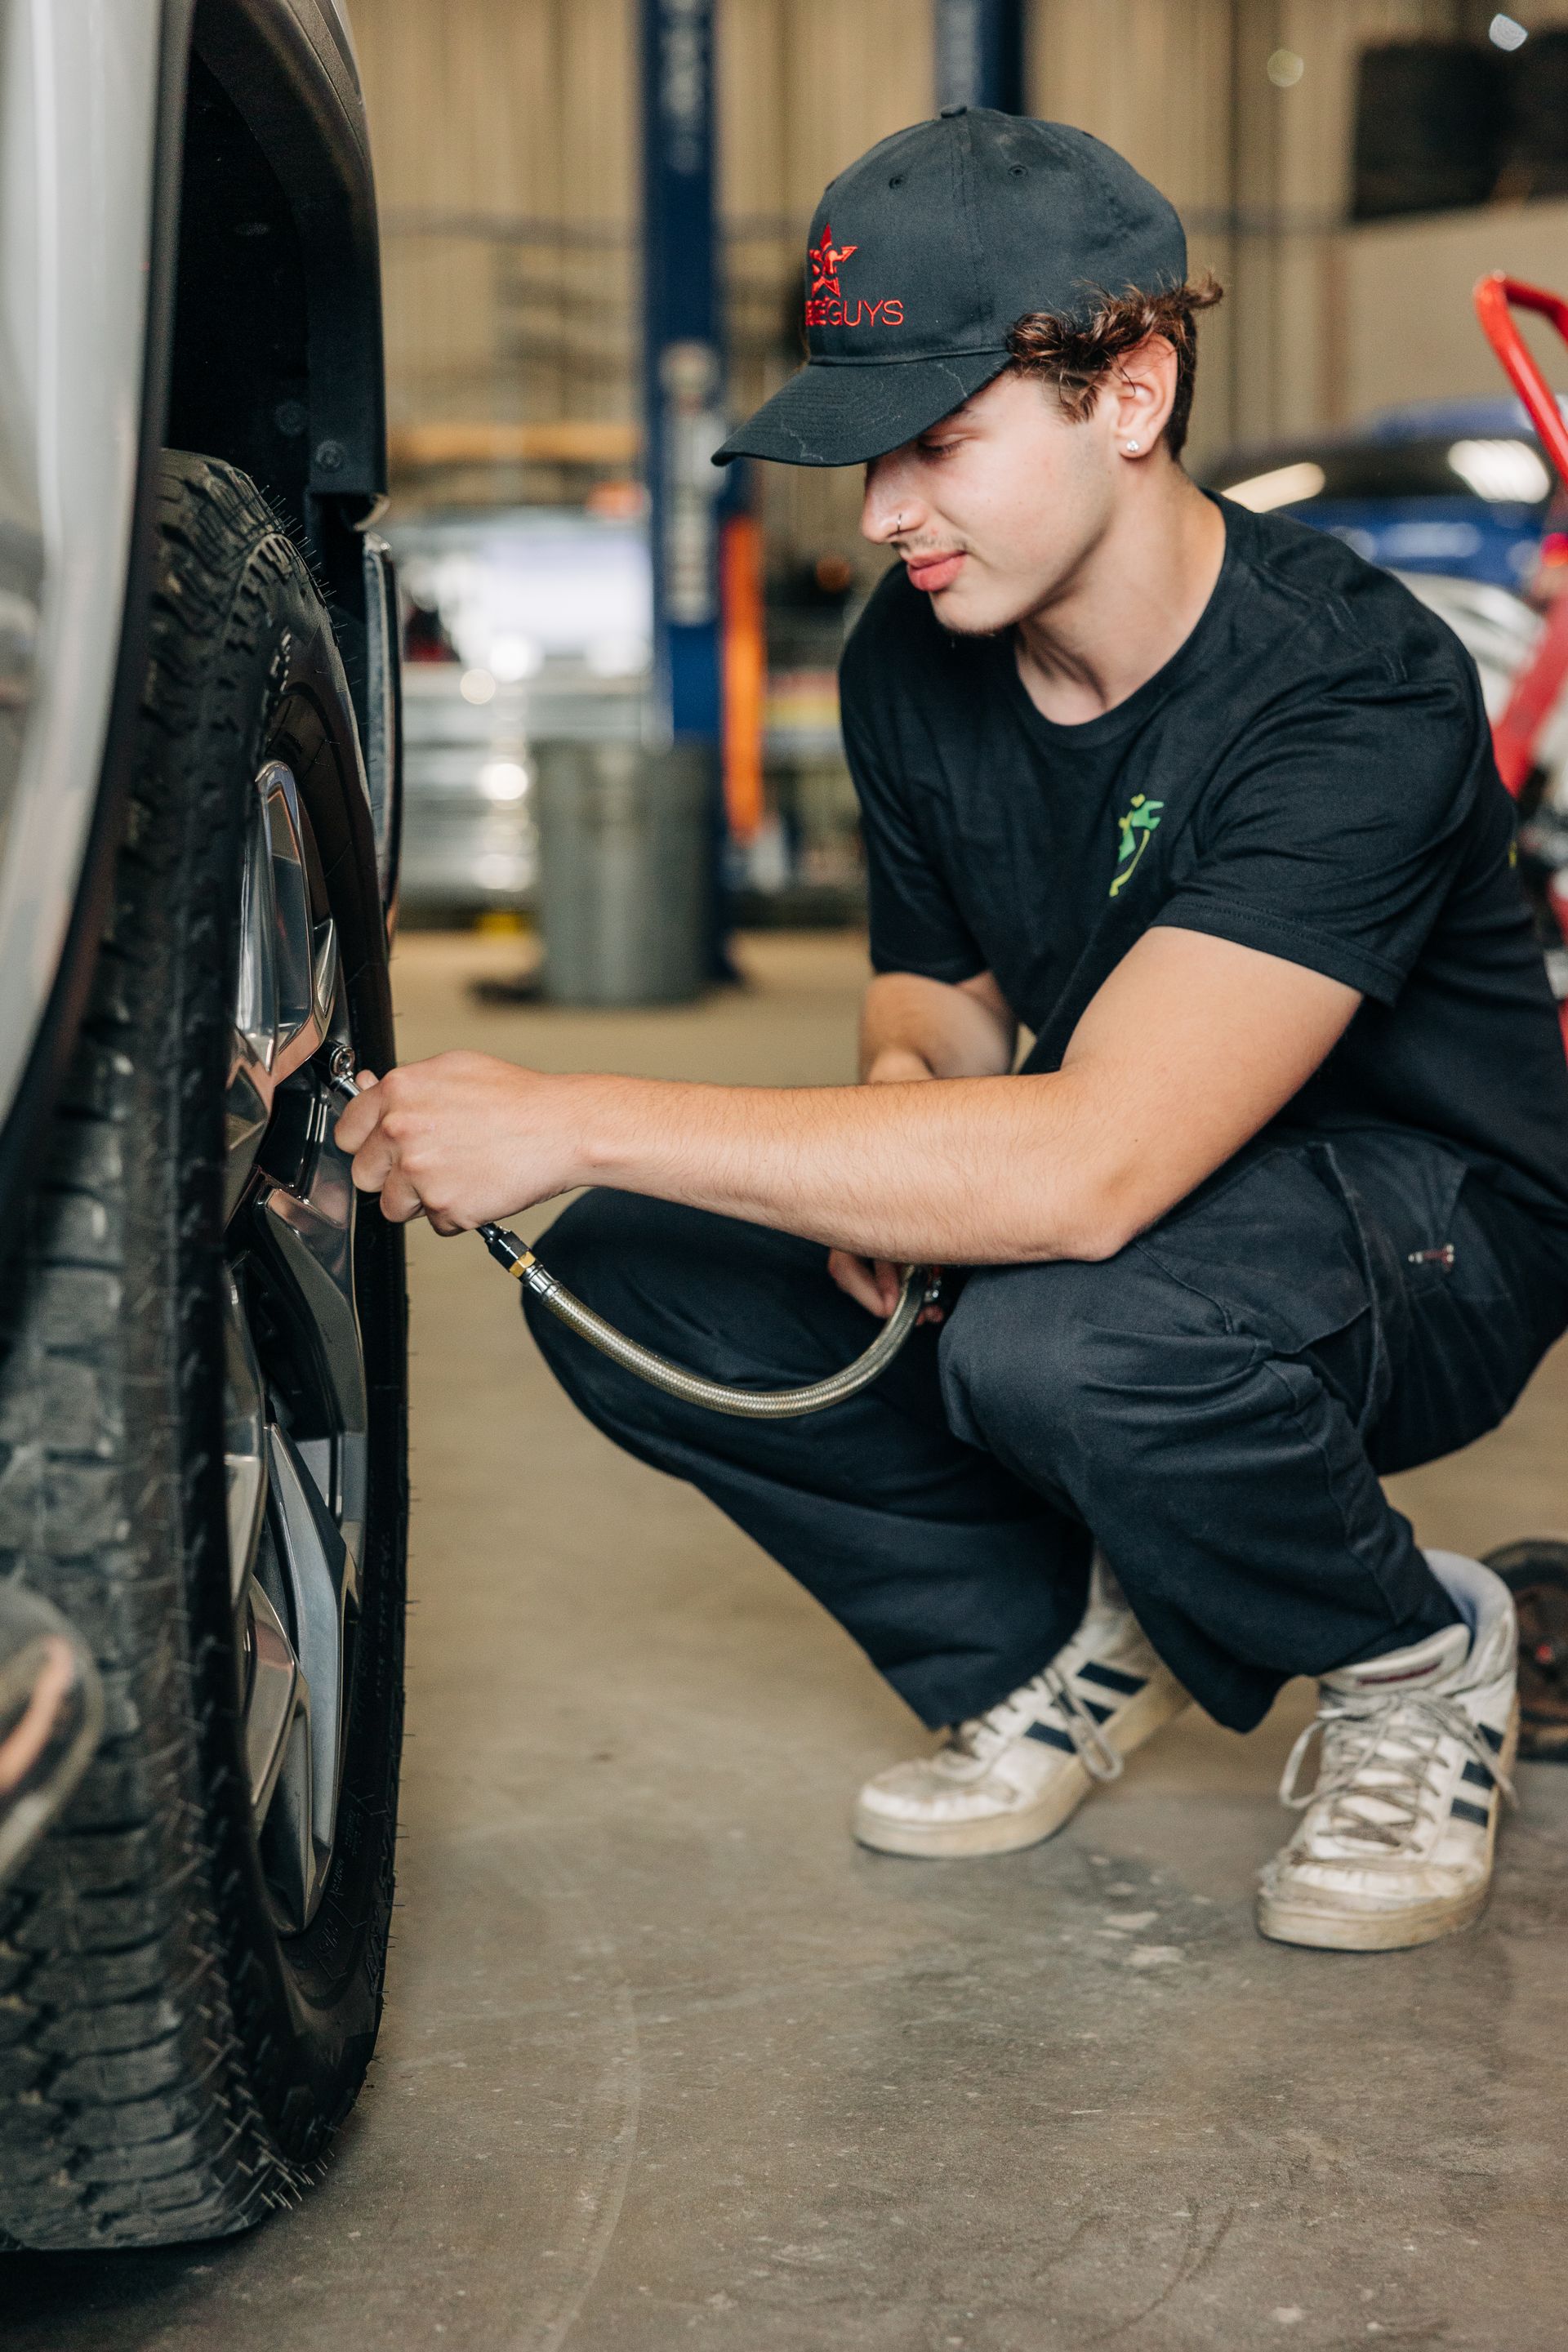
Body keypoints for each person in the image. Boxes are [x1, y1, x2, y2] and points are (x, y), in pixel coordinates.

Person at [337, 110, 1568, 1952]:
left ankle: (1414, 1658)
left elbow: (1084, 1174)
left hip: (1430, 1227)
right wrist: (907, 1105)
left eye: (938, 443)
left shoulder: (1348, 689)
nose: (884, 512)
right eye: (863, 452)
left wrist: (572, 1109)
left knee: (1062, 1338)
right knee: (639, 1280)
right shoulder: (919, 658)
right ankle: (1065, 1646)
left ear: (1130, 392)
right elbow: (937, 990)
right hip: (1148, 1191)